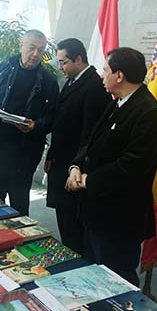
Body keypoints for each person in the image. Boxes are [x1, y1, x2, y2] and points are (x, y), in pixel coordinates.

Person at [66, 47, 157, 286]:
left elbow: (131, 167)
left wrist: (88, 180)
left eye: (105, 70)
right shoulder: (118, 102)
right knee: (93, 278)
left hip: (120, 220)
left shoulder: (150, 112)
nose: (101, 75)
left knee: (116, 284)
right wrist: (75, 167)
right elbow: (90, 141)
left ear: (119, 76)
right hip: (95, 212)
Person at [0, 29, 59, 216]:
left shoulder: (49, 81)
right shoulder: (3, 68)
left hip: (25, 154)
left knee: (19, 207)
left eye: (41, 50)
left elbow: (53, 117)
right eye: (32, 48)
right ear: (21, 45)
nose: (36, 54)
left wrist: (36, 125)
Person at [46, 38, 112, 254]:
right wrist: (51, 154)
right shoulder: (72, 81)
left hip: (73, 171)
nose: (60, 67)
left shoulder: (93, 86)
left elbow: (89, 136)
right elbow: (60, 122)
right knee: (64, 224)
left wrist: (76, 169)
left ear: (79, 59)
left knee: (74, 231)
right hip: (60, 163)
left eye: (63, 62)